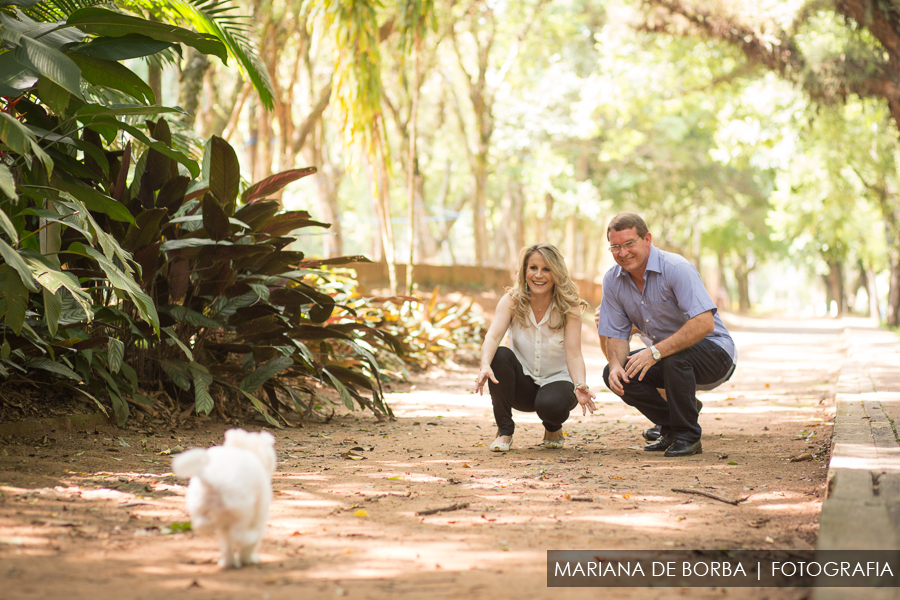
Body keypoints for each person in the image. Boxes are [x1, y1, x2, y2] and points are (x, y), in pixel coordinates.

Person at [596, 212, 736, 457]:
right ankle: (670, 427)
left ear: (647, 239)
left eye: (629, 243)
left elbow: (704, 323)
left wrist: (655, 351)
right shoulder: (612, 280)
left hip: (715, 354)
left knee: (672, 356)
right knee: (615, 374)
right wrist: (616, 364)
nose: (623, 252)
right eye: (615, 247)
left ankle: (688, 436)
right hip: (668, 358)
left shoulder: (676, 268)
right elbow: (617, 334)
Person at [475, 243, 597, 452]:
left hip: (556, 381)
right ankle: (504, 432)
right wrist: (485, 364)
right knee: (500, 355)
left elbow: (574, 353)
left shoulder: (569, 306)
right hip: (521, 385)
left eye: (546, 269)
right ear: (524, 271)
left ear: (556, 273)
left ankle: (552, 427)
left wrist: (580, 385)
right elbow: (493, 336)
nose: (539, 275)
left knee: (551, 405)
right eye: (533, 268)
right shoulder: (512, 301)